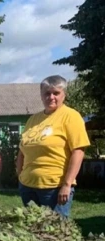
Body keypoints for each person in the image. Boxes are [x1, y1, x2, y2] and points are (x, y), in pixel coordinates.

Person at [16, 75, 90, 218]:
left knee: (55, 234)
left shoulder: (71, 116)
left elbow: (78, 151)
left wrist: (67, 184)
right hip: (28, 186)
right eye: (47, 93)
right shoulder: (33, 119)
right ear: (41, 95)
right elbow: (22, 151)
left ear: (64, 95)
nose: (51, 97)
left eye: (56, 93)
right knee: (33, 231)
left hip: (54, 187)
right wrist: (20, 176)